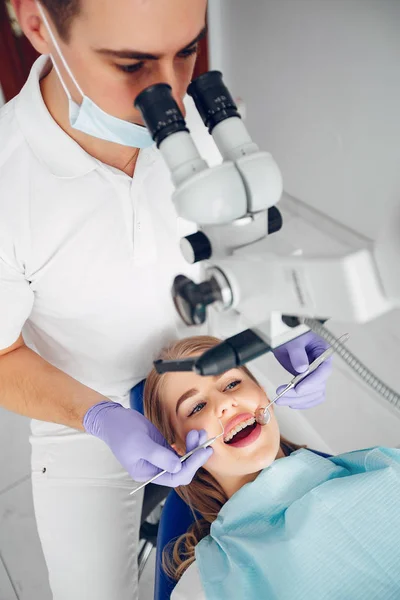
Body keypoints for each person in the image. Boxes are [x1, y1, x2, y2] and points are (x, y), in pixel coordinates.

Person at [0, 1, 332, 598]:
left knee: (321, 516)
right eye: (130, 62)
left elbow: (244, 246)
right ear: (37, 25)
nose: (170, 92)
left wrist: (284, 324)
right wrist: (101, 420)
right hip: (85, 409)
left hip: (218, 364)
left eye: (186, 52)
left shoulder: (204, 126)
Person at [144, 335, 400, 600]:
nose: (224, 403)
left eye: (232, 383)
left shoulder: (383, 468)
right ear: (181, 450)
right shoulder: (208, 585)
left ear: (261, 392)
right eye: (197, 407)